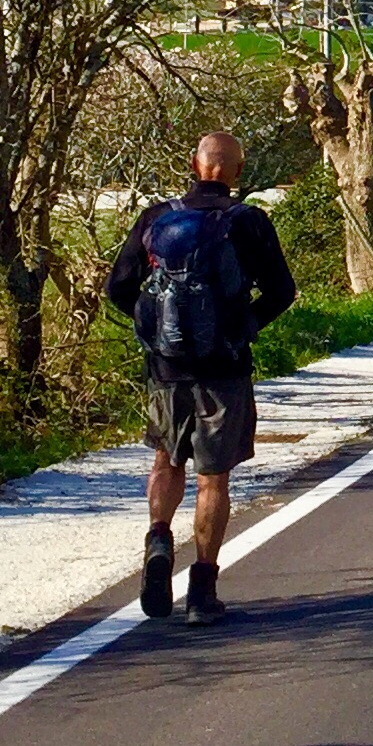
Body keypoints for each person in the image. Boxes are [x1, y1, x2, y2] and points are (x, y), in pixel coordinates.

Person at [107, 131, 296, 625]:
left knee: (166, 459)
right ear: (237, 171)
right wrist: (242, 328)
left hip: (167, 369)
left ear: (194, 165)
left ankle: (158, 538)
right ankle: (202, 592)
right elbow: (282, 291)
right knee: (213, 479)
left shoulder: (156, 217)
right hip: (224, 370)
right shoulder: (249, 221)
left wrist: (156, 332)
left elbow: (118, 287)